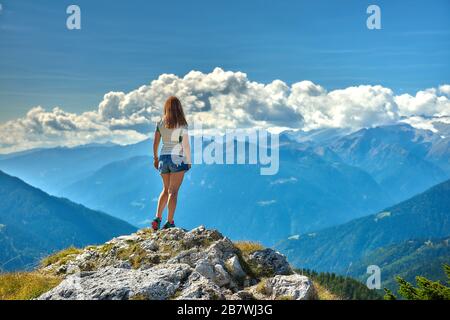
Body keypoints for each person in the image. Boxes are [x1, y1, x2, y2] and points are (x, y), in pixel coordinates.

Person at [152, 96, 191, 230]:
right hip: (177, 158)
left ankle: (157, 217)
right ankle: (170, 222)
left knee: (165, 189)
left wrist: (155, 158)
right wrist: (188, 161)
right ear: (179, 107)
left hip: (163, 158)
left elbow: (156, 142)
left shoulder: (160, 123)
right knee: (173, 192)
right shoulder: (182, 124)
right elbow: (185, 144)